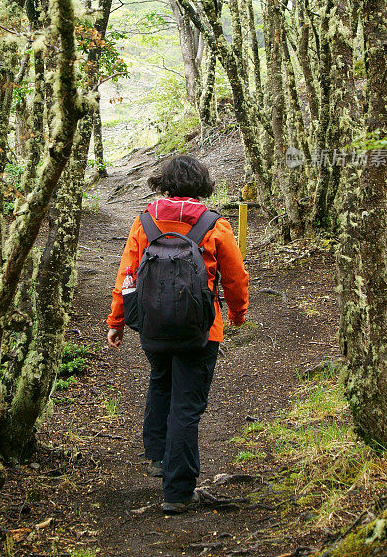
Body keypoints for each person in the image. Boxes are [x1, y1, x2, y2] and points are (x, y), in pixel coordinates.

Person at [107, 155, 249, 514]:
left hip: (153, 326)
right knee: (186, 404)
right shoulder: (215, 225)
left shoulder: (144, 223)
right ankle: (178, 491)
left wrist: (117, 321)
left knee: (160, 381)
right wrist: (237, 313)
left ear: (163, 183)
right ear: (202, 185)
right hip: (201, 329)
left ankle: (157, 457)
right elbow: (235, 278)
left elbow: (127, 274)